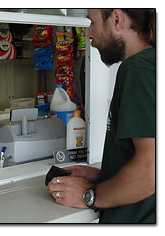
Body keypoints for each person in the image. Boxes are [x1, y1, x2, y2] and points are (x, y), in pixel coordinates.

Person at [47, 9, 155, 223]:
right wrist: (106, 175)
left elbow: (150, 171)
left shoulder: (138, 69)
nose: (89, 35)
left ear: (116, 19)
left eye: (93, 23)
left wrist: (90, 196)